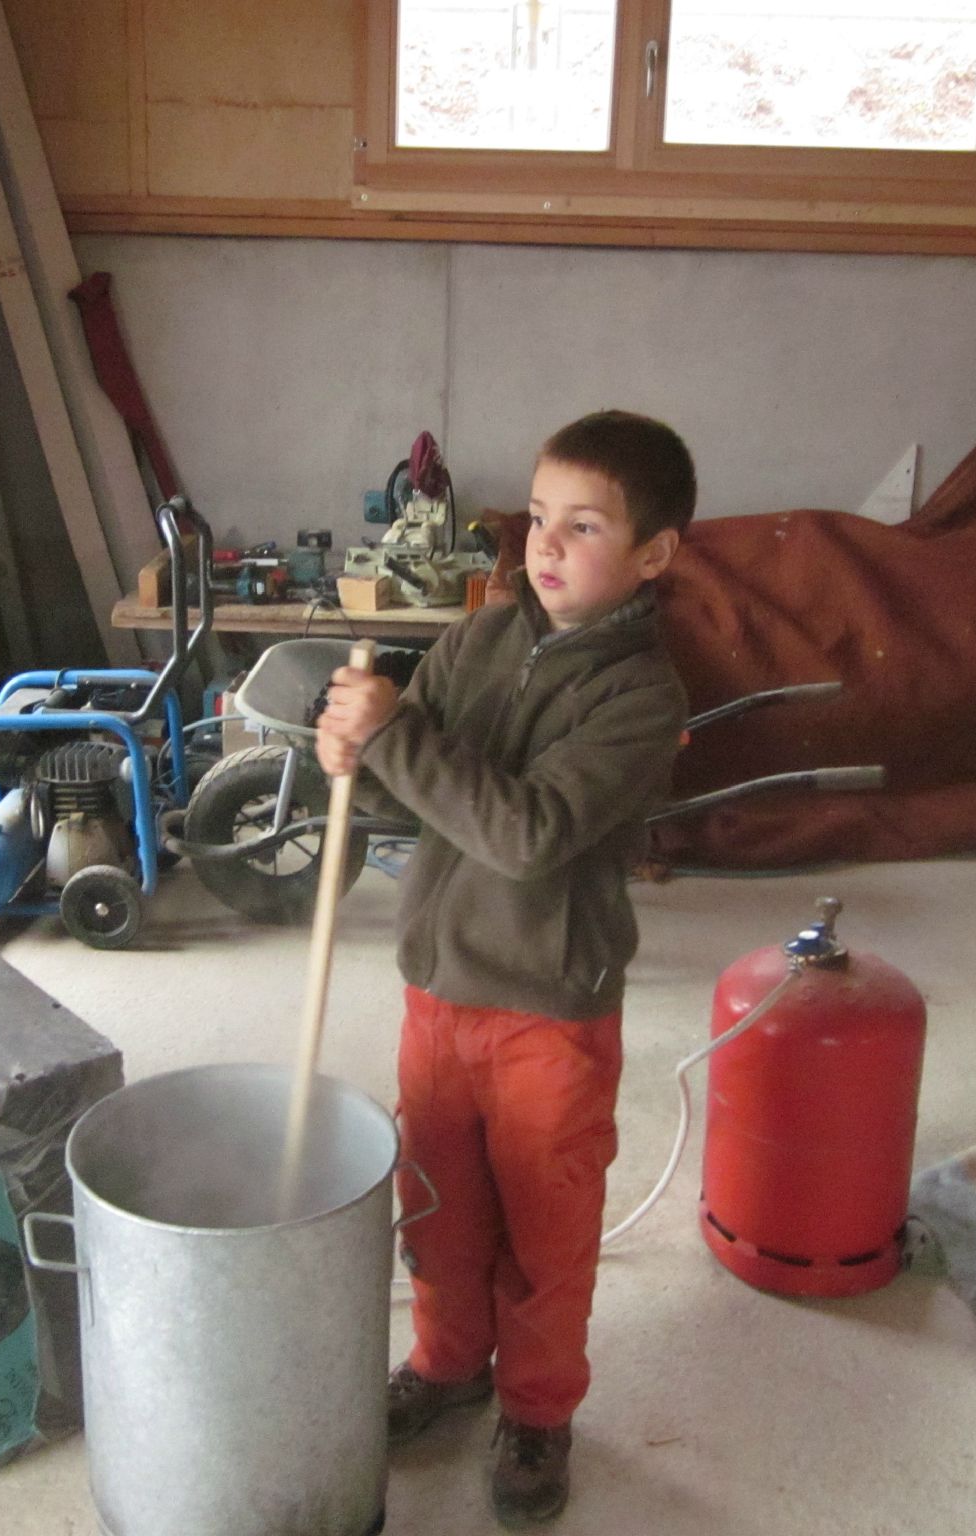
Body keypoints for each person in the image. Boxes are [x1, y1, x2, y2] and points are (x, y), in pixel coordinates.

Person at [316, 410, 695, 1527]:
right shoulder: (479, 637)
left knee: (544, 1227)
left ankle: (534, 1411)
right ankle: (445, 1366)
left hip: (547, 1014)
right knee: (437, 1210)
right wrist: (357, 750)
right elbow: (411, 783)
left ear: (651, 556)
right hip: (437, 989)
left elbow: (528, 834)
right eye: (537, 518)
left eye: (582, 526)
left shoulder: (640, 698)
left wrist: (397, 742)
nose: (544, 545)